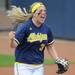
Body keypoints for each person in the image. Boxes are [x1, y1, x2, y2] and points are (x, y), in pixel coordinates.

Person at [8, 2, 69, 75]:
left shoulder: (47, 29)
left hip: (39, 67)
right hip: (23, 66)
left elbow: (50, 46)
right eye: (40, 11)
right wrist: (12, 39)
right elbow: (13, 45)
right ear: (34, 14)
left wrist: (57, 59)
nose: (43, 13)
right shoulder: (25, 27)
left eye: (44, 12)